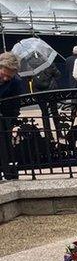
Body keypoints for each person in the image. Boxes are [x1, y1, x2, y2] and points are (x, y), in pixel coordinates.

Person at [0, 52, 25, 180]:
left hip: (4, 119)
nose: (6, 79)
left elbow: (15, 106)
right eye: (4, 74)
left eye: (9, 76)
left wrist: (12, 122)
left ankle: (9, 174)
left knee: (4, 148)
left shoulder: (16, 82)